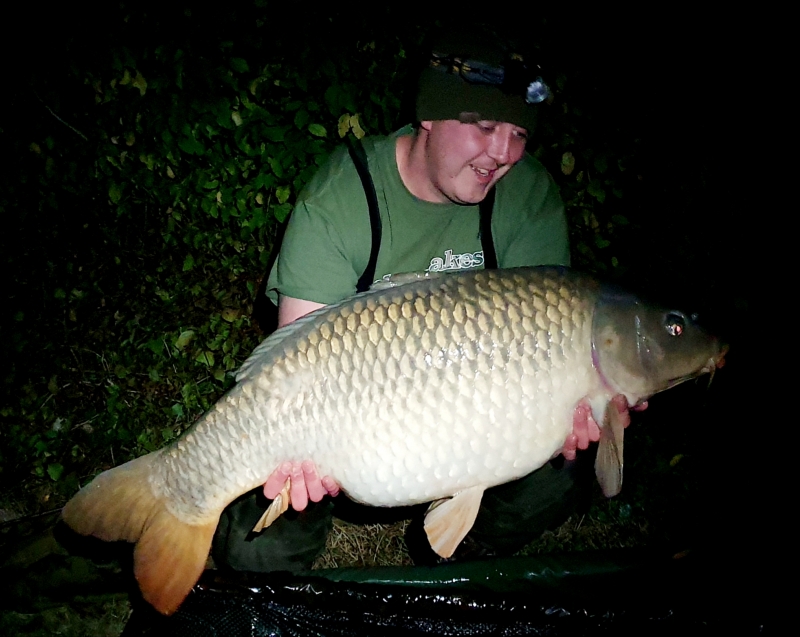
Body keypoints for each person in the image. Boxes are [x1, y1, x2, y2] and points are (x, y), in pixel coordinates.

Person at [212, 25, 630, 572]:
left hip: (470, 419)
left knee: (571, 459)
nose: (503, 153)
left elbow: (550, 340)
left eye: (520, 134)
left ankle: (462, 555)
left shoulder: (528, 198)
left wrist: (581, 410)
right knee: (252, 549)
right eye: (483, 126)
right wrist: (304, 455)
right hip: (341, 423)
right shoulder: (340, 197)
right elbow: (296, 366)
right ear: (429, 115)